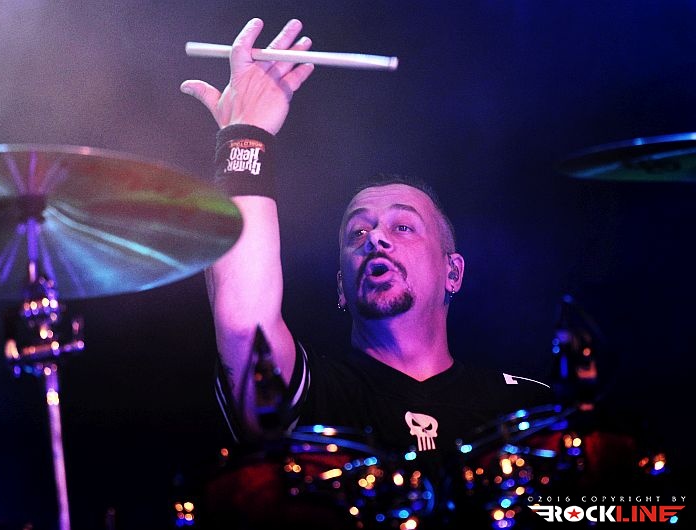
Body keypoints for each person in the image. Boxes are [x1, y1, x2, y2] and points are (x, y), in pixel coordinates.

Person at [181, 18, 555, 529]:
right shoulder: (318, 394)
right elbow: (245, 322)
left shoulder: (525, 407)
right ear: (341, 286)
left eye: (403, 226)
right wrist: (246, 137)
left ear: (453, 272)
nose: (376, 238)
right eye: (357, 231)